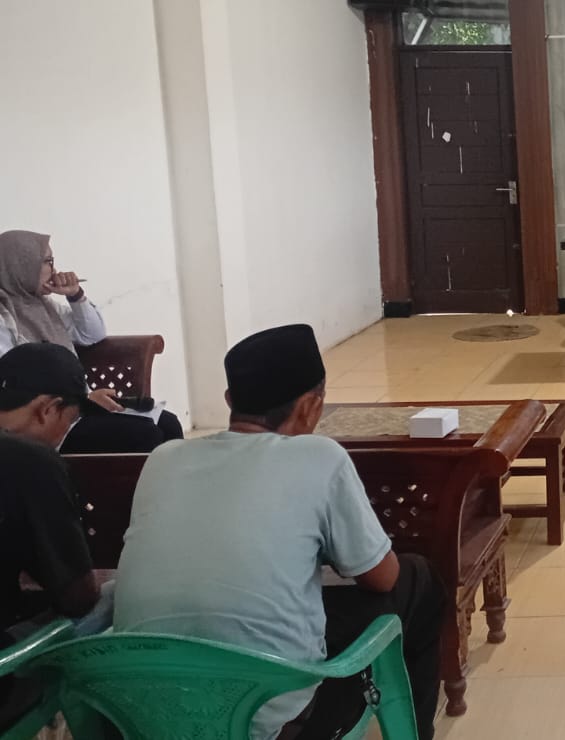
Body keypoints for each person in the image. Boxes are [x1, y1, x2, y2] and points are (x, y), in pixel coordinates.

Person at [113, 324, 444, 740]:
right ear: (310, 406)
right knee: (419, 579)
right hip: (272, 721)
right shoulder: (319, 457)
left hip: (143, 712)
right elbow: (383, 578)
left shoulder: (163, 459)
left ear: (230, 401)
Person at [0, 344, 108, 726]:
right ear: (48, 408)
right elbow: (77, 597)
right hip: (4, 672)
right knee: (114, 601)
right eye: (71, 420)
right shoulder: (29, 460)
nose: (66, 433)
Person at [0, 229, 178, 450]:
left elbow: (92, 334)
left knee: (168, 423)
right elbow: (14, 381)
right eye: (47, 261)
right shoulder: (4, 315)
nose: (54, 270)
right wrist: (81, 401)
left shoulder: (45, 307)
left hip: (78, 406)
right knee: (145, 434)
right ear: (21, 265)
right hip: (44, 421)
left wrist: (75, 294)